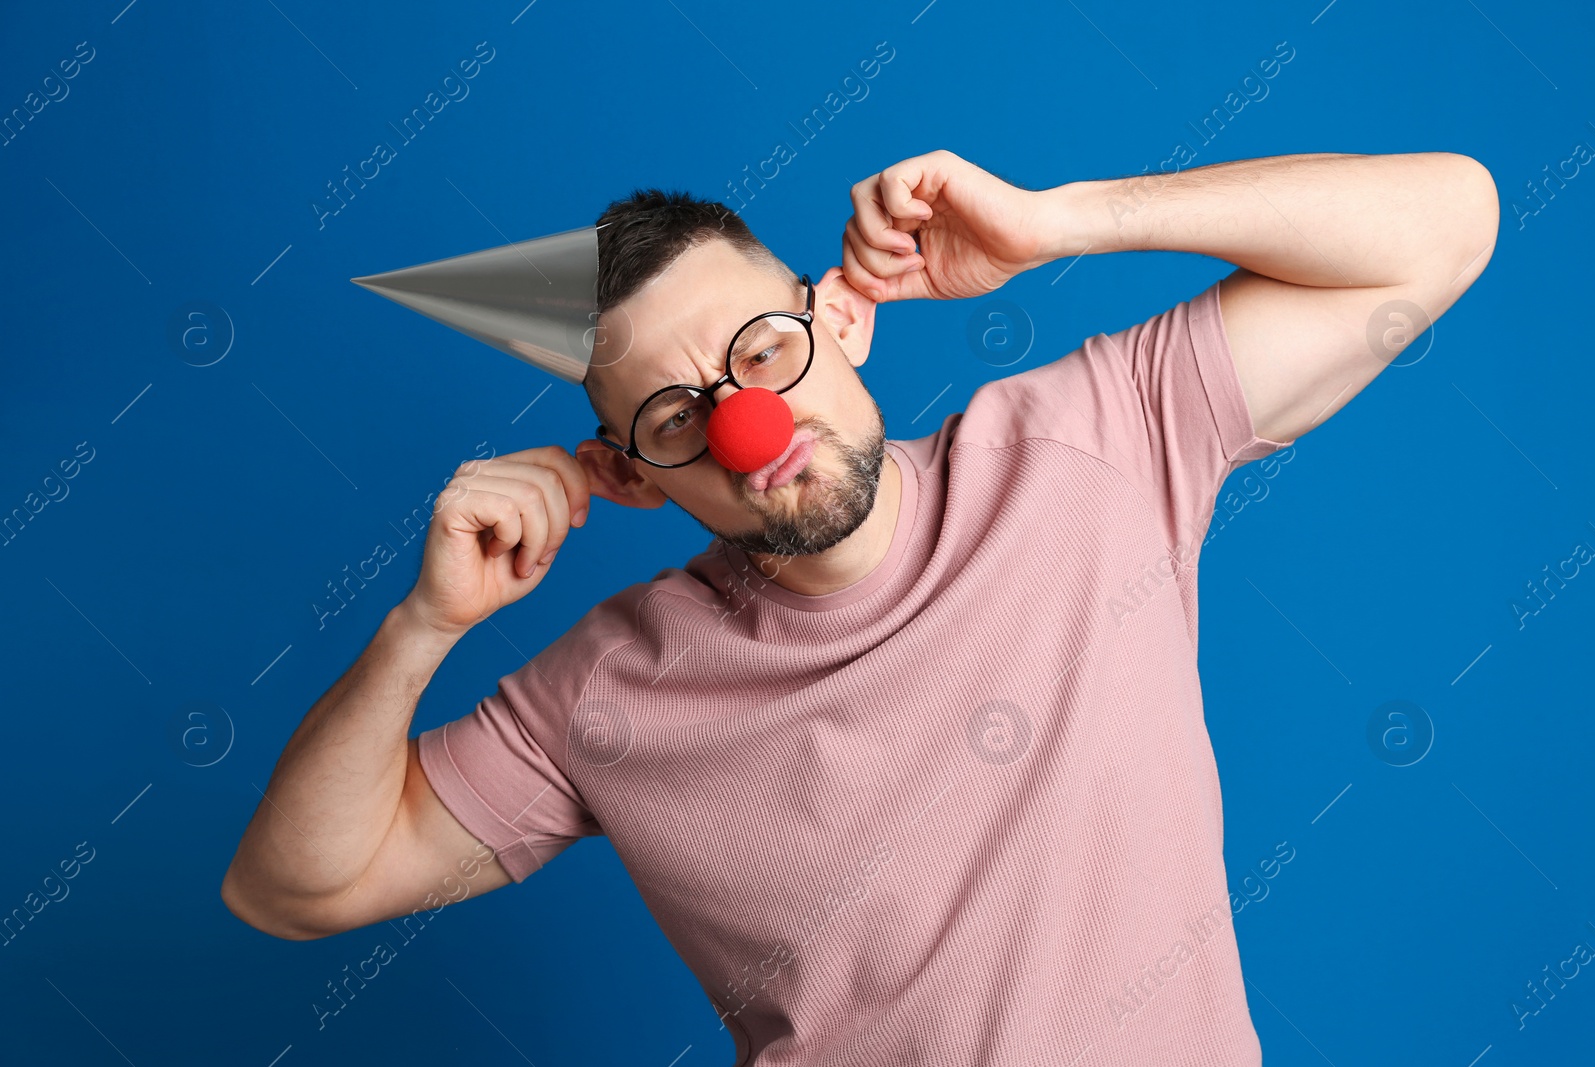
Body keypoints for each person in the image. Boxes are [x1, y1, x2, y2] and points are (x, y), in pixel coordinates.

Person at [221, 149, 1498, 1064]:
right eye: (675, 417)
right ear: (629, 474)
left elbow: (1448, 222)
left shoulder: (1089, 446)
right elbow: (291, 888)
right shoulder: (604, 690)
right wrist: (425, 627)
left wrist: (1063, 223)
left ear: (840, 319)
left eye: (763, 351)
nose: (746, 422)